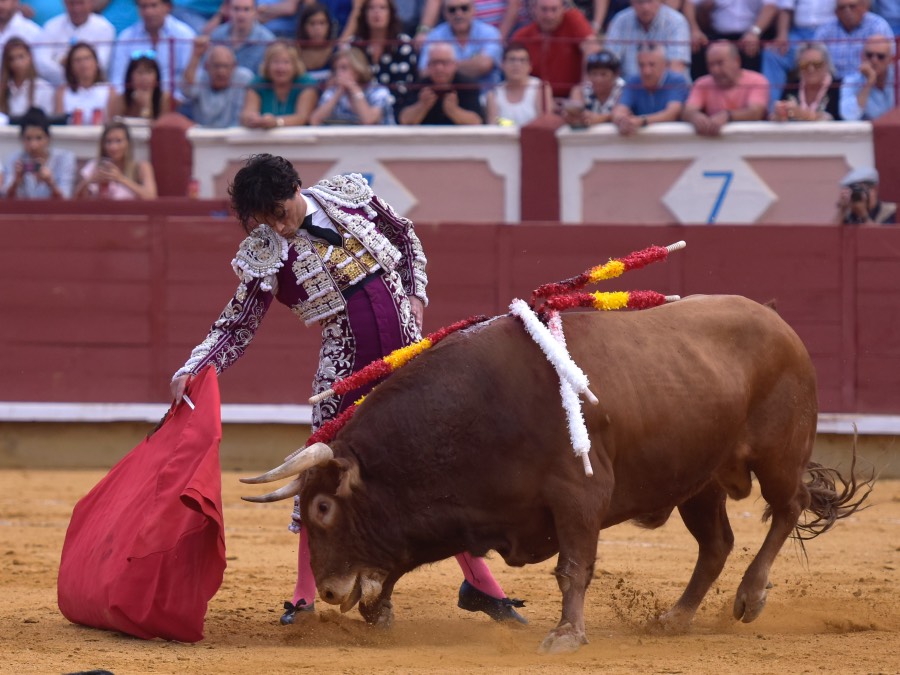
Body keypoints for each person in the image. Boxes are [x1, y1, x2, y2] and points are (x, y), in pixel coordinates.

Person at [168, 152, 527, 627]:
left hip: (407, 365)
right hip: (344, 375)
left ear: (296, 189)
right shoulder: (265, 252)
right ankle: (302, 596)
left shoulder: (348, 195)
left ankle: (481, 585)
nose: (278, 227)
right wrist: (196, 366)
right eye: (264, 220)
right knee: (320, 475)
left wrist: (415, 292)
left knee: (436, 470)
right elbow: (237, 323)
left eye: (280, 213)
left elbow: (405, 235)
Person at [108, 0, 197, 99]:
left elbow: (189, 82)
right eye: (143, 7)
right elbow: (118, 80)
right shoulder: (126, 37)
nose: (148, 12)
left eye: (154, 6)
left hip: (176, 101)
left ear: (168, 7)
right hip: (135, 100)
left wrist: (171, 100)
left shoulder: (185, 35)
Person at [509, 0, 599, 98]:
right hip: (537, 99)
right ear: (534, 9)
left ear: (562, 9)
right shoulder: (522, 36)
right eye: (544, 10)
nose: (549, 16)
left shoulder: (573, 19)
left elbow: (592, 49)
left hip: (573, 98)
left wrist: (585, 88)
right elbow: (510, 67)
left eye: (554, 9)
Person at [682, 40, 769, 135]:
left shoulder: (757, 81)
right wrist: (695, 116)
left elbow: (756, 112)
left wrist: (728, 116)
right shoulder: (702, 84)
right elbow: (687, 111)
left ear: (737, 61)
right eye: (711, 65)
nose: (715, 70)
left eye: (720, 63)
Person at [761, 0, 837, 106]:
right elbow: (786, 7)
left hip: (830, 30)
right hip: (798, 32)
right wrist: (782, 33)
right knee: (773, 54)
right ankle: (774, 107)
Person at [350, 0, 418, 119]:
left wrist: (378, 109)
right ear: (364, 14)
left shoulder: (403, 44)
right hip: (358, 108)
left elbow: (403, 87)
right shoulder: (354, 45)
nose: (377, 12)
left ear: (391, 13)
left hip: (394, 110)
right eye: (371, 8)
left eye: (382, 8)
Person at [419, 0, 503, 92]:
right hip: (448, 95)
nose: (458, 14)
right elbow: (424, 72)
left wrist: (444, 68)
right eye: (452, 10)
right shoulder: (435, 35)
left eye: (464, 8)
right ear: (444, 13)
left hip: (486, 95)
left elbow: (484, 65)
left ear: (474, 10)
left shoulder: (490, 32)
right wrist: (472, 64)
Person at [685, 0, 779, 79]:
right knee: (698, 46)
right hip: (716, 34)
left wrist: (755, 33)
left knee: (753, 50)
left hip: (751, 34)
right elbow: (689, 4)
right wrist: (694, 30)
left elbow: (770, 7)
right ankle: (700, 91)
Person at [610, 41, 690, 134]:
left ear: (665, 65)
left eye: (652, 65)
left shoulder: (676, 81)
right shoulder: (633, 81)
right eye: (641, 65)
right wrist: (622, 120)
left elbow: (671, 114)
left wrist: (641, 121)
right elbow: (619, 110)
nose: (646, 71)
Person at [33, 0, 116, 88]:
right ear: (64, 3)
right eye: (71, 3)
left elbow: (101, 64)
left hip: (94, 88)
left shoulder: (105, 28)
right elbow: (41, 62)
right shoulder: (51, 26)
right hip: (56, 87)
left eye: (81, 3)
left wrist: (63, 62)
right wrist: (73, 74)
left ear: (91, 3)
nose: (76, 9)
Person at [397, 40, 483, 124]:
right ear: (428, 66)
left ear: (455, 65)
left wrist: (453, 111)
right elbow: (404, 120)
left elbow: (477, 121)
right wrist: (422, 106)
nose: (439, 68)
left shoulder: (467, 85)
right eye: (434, 63)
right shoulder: (418, 86)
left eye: (444, 63)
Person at [604, 0, 691, 80]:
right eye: (640, 2)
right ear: (631, 2)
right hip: (628, 87)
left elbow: (676, 68)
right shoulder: (620, 21)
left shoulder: (677, 21)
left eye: (650, 1)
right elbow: (610, 63)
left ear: (660, 1)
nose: (645, 7)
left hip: (667, 86)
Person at [240, 39, 318, 127]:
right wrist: (253, 119)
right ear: (267, 65)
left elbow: (302, 118)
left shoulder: (306, 84)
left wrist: (277, 122)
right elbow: (246, 114)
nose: (280, 68)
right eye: (276, 62)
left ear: (295, 65)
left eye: (286, 62)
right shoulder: (257, 83)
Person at [0, 106, 75, 198]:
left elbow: (66, 199)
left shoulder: (64, 158)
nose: (33, 145)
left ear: (48, 138)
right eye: (28, 139)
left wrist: (50, 183)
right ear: (21, 139)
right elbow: (6, 200)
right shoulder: (15, 160)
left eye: (39, 138)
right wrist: (16, 182)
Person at [308, 45, 395, 124]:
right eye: (336, 69)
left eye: (344, 68)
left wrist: (355, 90)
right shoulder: (333, 92)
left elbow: (369, 120)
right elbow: (315, 121)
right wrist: (337, 95)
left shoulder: (378, 91)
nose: (338, 73)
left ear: (358, 70)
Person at [73, 121, 158, 199]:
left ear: (128, 143)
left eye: (118, 141)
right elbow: (76, 199)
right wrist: (89, 181)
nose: (113, 147)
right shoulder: (94, 166)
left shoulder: (141, 167)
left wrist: (121, 179)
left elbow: (151, 197)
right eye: (109, 141)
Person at [813, 0, 894, 81]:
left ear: (864, 8)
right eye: (842, 8)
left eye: (852, 6)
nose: (847, 11)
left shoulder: (878, 26)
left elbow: (890, 59)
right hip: (832, 83)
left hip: (867, 80)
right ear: (836, 12)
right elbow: (814, 58)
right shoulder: (825, 30)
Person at [183, 36, 253, 126]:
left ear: (234, 66)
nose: (221, 72)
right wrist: (196, 55)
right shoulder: (201, 77)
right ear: (207, 67)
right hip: (203, 132)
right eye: (216, 66)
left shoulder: (245, 78)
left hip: (236, 132)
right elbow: (188, 90)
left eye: (226, 66)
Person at [484, 41, 552, 125]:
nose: (517, 64)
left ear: (530, 66)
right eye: (512, 60)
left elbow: (544, 124)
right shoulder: (494, 94)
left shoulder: (540, 88)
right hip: (503, 133)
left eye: (522, 60)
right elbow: (493, 125)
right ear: (502, 65)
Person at [771, 41, 841, 121]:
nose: (811, 69)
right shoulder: (792, 86)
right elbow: (776, 117)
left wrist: (802, 114)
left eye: (817, 64)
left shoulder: (838, 87)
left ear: (827, 65)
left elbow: (834, 119)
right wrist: (779, 115)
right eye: (804, 65)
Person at [53, 42, 114, 125]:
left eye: (87, 58)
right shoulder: (62, 92)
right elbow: (59, 125)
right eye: (78, 60)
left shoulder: (110, 91)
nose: (83, 64)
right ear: (70, 66)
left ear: (96, 63)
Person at [562, 49, 624, 128]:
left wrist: (601, 118)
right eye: (594, 74)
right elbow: (576, 112)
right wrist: (572, 115)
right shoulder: (580, 90)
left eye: (603, 74)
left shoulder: (624, 90)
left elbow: (621, 116)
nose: (598, 79)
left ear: (616, 75)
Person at [209, 0, 275, 74]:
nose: (240, 14)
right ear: (229, 11)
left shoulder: (267, 41)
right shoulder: (217, 35)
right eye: (236, 9)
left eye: (246, 9)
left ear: (255, 12)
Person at [839, 33, 895, 120]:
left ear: (890, 59)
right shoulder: (850, 81)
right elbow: (848, 116)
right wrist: (869, 83)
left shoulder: (897, 75)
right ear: (862, 56)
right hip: (870, 128)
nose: (874, 60)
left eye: (881, 56)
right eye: (869, 55)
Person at [107, 52, 172, 119]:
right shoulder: (121, 100)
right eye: (140, 72)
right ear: (130, 76)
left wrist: (146, 105)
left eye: (149, 72)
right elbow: (115, 123)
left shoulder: (164, 99)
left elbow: (163, 123)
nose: (144, 77)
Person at [0, 37, 53, 118]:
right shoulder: (2, 89)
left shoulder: (44, 88)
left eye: (21, 57)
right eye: (11, 59)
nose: (17, 63)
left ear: (30, 57)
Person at [296, 2, 336, 85]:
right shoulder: (294, 52)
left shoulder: (337, 51)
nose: (317, 29)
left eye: (322, 23)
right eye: (312, 23)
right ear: (303, 26)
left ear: (329, 26)